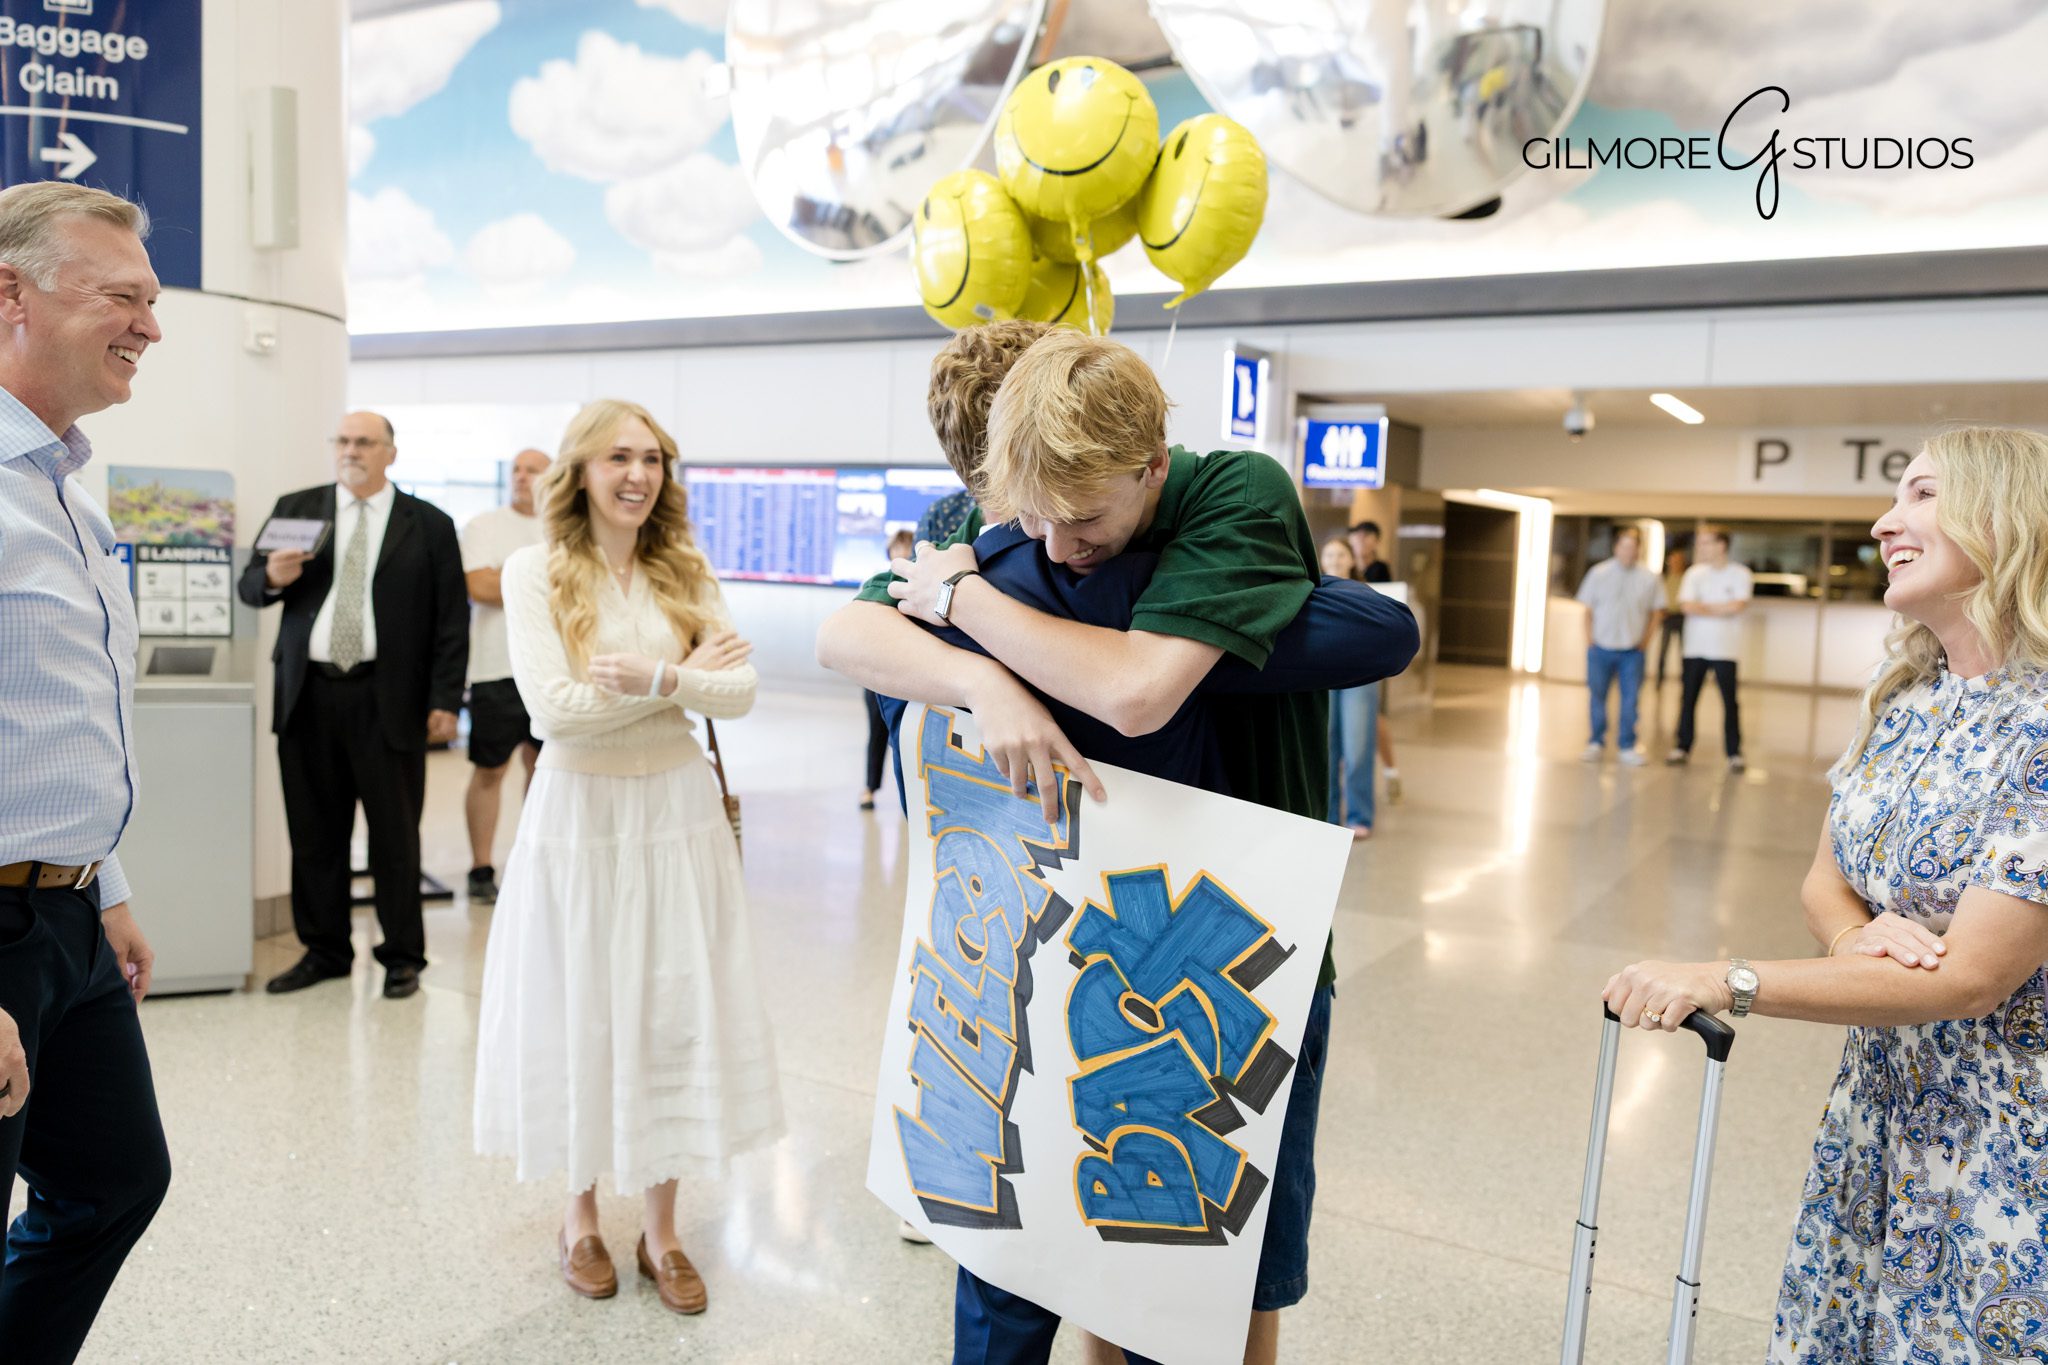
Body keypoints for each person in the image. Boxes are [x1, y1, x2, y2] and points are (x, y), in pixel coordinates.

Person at [817, 331, 1347, 1365]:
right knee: (1051, 1235)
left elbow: (1133, 693)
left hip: (1237, 948)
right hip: (1065, 928)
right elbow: (846, 634)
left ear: (1151, 464)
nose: (1058, 548)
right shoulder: (1013, 520)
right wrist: (983, 682)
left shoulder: (1237, 492)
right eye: (1033, 520)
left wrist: (962, 602)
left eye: (1087, 517)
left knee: (1211, 1274)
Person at [1601, 428, 2048, 1364]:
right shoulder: (1908, 694)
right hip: (1876, 1109)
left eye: (1921, 495)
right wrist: (1854, 942)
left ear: (2005, 517)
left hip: (2004, 1141)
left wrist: (1729, 979)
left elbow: (1970, 979)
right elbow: (1825, 877)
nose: (1887, 522)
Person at [472, 399, 782, 1316]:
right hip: (578, 818)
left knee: (671, 1010)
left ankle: (663, 1230)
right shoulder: (534, 570)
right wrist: (686, 680)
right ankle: (577, 1217)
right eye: (619, 457)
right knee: (581, 1009)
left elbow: (743, 692)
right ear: (580, 471)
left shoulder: (681, 566)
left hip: (677, 815)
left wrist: (659, 679)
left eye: (652, 458)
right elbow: (554, 712)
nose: (639, 474)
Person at [0, 181, 173, 1365]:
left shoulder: (63, 487)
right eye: (124, 296)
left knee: (114, 1182)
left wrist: (103, 888)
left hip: (65, 918)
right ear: (11, 294)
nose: (151, 328)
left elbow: (57, 719)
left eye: (153, 301)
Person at [238, 412, 469, 999]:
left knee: (396, 835)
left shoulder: (429, 524)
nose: (351, 451)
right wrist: (271, 574)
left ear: (390, 452)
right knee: (315, 832)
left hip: (389, 699)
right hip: (307, 695)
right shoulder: (299, 508)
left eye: (364, 442)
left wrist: (446, 700)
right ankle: (325, 951)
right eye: (342, 441)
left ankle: (401, 957)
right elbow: (248, 587)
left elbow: (451, 620)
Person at [459, 447, 550, 902]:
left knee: (546, 769)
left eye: (532, 469)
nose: (521, 476)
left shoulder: (566, 529)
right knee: (489, 770)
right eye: (516, 469)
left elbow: (580, 591)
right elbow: (479, 587)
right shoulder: (485, 525)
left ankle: (533, 860)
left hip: (552, 670)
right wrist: (546, 583)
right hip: (496, 670)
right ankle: (480, 868)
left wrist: (507, 579)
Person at [1665, 525, 1751, 771]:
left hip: (1726, 650)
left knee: (1729, 702)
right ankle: (1682, 746)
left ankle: (1734, 753)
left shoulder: (1739, 573)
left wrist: (1705, 607)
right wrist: (1721, 608)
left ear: (1721, 545)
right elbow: (1687, 606)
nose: (1701, 548)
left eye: (1705, 543)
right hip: (1694, 648)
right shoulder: (1694, 573)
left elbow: (1738, 606)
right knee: (1688, 699)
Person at [1575, 526, 1662, 765]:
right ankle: (1595, 741)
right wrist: (1589, 639)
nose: (1628, 551)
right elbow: (1587, 610)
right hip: (1600, 647)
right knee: (1597, 696)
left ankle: (1627, 745)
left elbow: (1657, 612)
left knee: (1630, 699)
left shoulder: (1649, 578)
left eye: (1633, 547)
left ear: (1638, 550)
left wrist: (1645, 641)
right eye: (1624, 546)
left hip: (1632, 651)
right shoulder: (1598, 573)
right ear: (1616, 547)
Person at [1320, 536, 1379, 837]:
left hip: (1360, 677)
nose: (1334, 560)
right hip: (1322, 677)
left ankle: (1360, 815)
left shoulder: (1366, 593)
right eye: (1328, 554)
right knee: (1324, 747)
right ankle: (1327, 817)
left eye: (1341, 554)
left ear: (1352, 560)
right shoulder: (1312, 591)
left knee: (1357, 748)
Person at [1346, 520, 1403, 801]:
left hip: (1369, 655)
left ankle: (1391, 771)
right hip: (1347, 655)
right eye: (1356, 536)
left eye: (1366, 536)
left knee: (1374, 718)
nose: (1360, 540)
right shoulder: (1341, 567)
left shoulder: (1379, 570)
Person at [861, 527, 916, 810]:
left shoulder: (920, 587)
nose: (901, 553)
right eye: (896, 548)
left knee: (906, 736)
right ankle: (869, 788)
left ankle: (908, 794)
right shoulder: (878, 585)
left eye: (906, 547)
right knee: (877, 734)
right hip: (877, 675)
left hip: (909, 677)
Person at [1655, 545, 1687, 685]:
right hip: (1667, 617)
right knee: (1663, 651)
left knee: (1684, 652)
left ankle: (1685, 680)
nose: (1674, 562)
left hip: (1682, 618)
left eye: (1677, 560)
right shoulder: (1664, 578)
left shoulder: (1686, 578)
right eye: (1672, 560)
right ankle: (1659, 680)